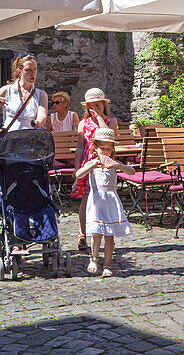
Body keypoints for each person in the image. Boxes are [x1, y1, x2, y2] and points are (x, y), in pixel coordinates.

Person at [75, 126, 133, 277]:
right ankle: (93, 259)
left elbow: (132, 171)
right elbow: (78, 174)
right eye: (102, 148)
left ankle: (107, 264)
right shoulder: (92, 162)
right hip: (96, 200)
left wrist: (119, 165)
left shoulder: (114, 163)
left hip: (110, 200)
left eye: (109, 148)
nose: (105, 151)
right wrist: (92, 165)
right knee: (96, 233)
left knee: (109, 235)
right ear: (96, 148)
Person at [71, 87, 119, 251]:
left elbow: (108, 136)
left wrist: (99, 117)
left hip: (104, 164)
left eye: (98, 106)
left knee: (104, 199)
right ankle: (82, 234)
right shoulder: (84, 123)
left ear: (103, 105)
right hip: (88, 163)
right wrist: (77, 168)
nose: (94, 110)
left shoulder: (111, 120)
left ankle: (107, 237)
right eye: (91, 107)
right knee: (86, 199)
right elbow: (79, 147)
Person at [0, 52, 48, 131]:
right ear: (19, 72)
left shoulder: (41, 94)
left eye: (35, 69)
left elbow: (42, 115)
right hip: (10, 138)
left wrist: (38, 122)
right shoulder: (7, 90)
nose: (33, 73)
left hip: (30, 138)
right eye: (28, 70)